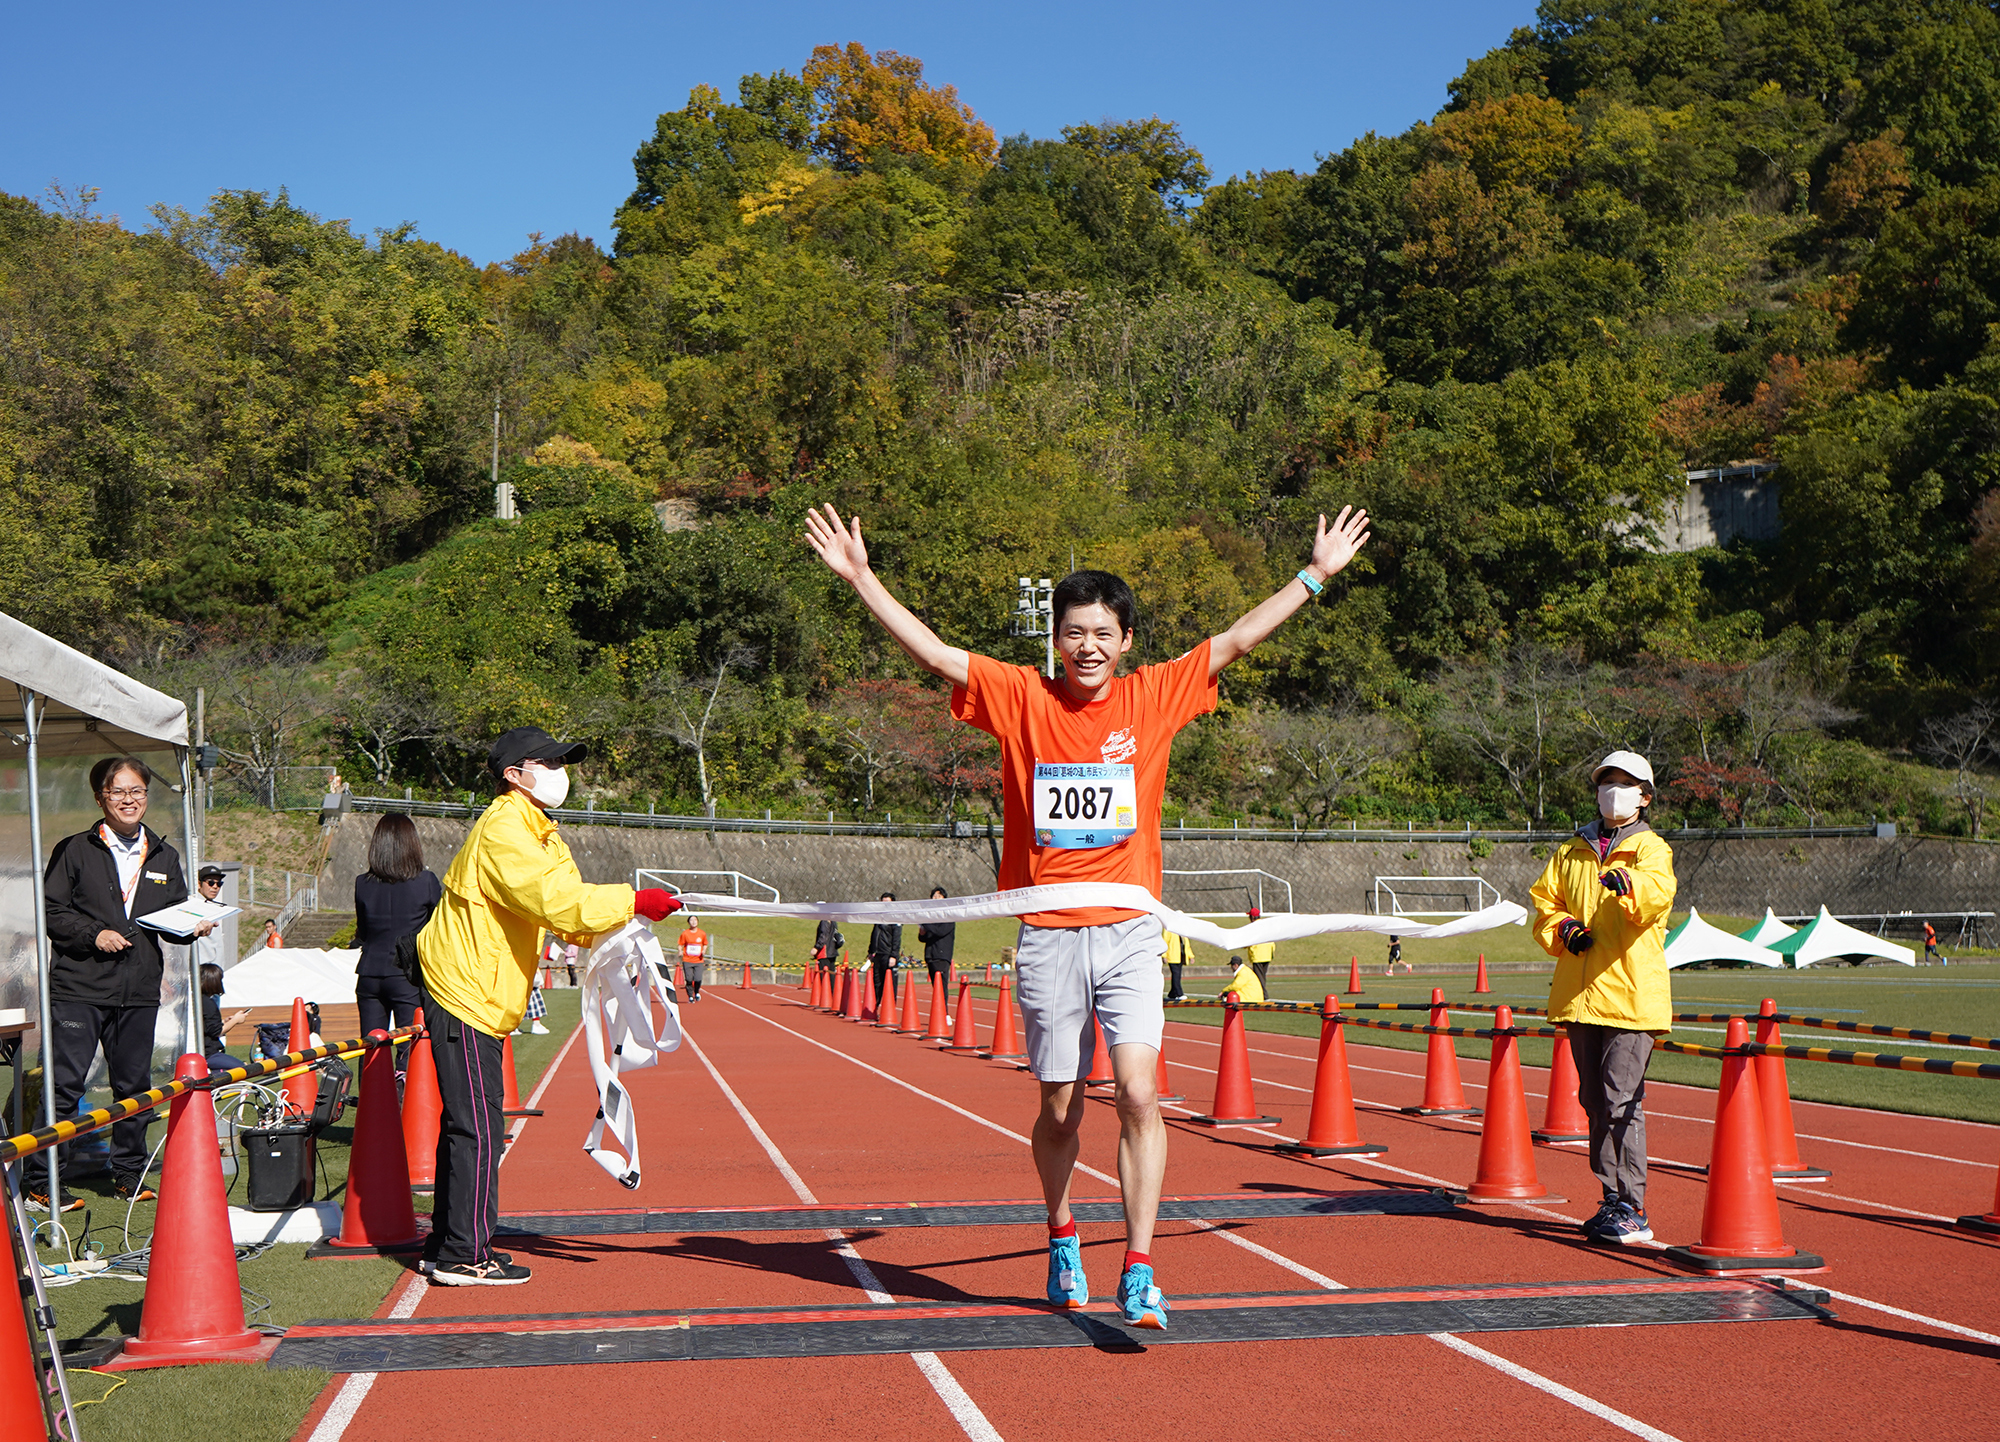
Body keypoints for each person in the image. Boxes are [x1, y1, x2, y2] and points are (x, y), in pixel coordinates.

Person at [807, 497, 1369, 1330]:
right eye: (1075, 632)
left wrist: (1314, 577)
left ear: (1126, 641)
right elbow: (930, 652)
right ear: (1056, 639)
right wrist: (862, 579)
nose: (1089, 646)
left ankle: (1140, 1266)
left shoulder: (1154, 696)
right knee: (1061, 1107)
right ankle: (1063, 1230)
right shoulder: (1020, 698)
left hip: (1133, 931)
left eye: (1104, 632)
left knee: (1140, 1094)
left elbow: (1241, 637)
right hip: (1049, 934)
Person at [414, 726, 682, 1285]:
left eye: (563, 761)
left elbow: (566, 914)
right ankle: (465, 1255)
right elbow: (555, 901)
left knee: (470, 1123)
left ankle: (450, 1241)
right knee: (479, 1126)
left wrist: (622, 927)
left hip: (481, 991)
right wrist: (632, 899)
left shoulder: (542, 833)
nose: (561, 770)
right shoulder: (505, 830)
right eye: (548, 761)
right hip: (464, 990)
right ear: (513, 775)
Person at [39, 756, 214, 1210]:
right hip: (79, 986)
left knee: (134, 1086)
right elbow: (52, 912)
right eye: (118, 792)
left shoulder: (163, 855)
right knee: (65, 1085)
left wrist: (194, 925)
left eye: (137, 791)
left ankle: (129, 1176)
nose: (129, 800)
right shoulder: (74, 849)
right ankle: (44, 1180)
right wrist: (92, 934)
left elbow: (171, 917)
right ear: (100, 798)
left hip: (138, 988)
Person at [1531, 749, 1677, 1247]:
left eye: (1625, 784)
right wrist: (1564, 928)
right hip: (1582, 995)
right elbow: (1544, 904)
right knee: (1594, 1100)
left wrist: (1628, 882)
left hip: (1631, 995)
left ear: (1645, 796)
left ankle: (1632, 1205)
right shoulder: (1572, 851)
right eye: (1606, 782)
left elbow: (1658, 893)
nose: (1613, 791)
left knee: (1620, 1098)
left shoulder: (1651, 849)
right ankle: (1612, 1197)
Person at [353, 813, 442, 1066]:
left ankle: (373, 1105)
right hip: (408, 974)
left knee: (371, 1050)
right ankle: (405, 1102)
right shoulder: (426, 881)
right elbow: (438, 929)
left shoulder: (363, 883)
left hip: (370, 973)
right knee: (410, 1050)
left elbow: (364, 932)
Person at [199, 962, 251, 1073]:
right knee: (244, 1069)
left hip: (202, 1052)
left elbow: (205, 1026)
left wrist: (224, 1021)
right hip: (209, 1053)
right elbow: (217, 1031)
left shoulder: (198, 1001)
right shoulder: (208, 1003)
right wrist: (236, 1020)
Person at [866, 896, 901, 1008]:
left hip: (888, 953)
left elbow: (896, 938)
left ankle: (889, 1007)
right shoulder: (878, 918)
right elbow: (874, 935)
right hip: (878, 954)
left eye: (887, 902)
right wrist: (871, 952)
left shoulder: (895, 919)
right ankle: (875, 1005)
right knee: (877, 982)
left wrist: (894, 955)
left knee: (889, 983)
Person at [917, 888, 956, 987]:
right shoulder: (930, 916)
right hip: (930, 955)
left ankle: (943, 1003)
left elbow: (940, 931)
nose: (936, 898)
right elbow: (924, 938)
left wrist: (925, 924)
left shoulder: (949, 916)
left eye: (939, 896)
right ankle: (938, 1002)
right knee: (935, 985)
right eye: (934, 896)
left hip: (941, 955)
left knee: (941, 985)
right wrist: (922, 933)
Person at [677, 914, 710, 1002]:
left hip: (698, 960)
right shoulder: (685, 933)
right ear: (688, 922)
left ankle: (697, 992)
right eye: (691, 920)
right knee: (688, 979)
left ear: (697, 922)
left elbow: (705, 944)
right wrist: (680, 951)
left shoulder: (702, 933)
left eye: (695, 920)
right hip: (687, 960)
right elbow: (680, 944)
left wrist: (704, 951)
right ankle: (690, 996)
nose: (693, 922)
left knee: (698, 979)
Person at [1244, 907, 1275, 989]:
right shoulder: (1266, 925)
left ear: (1253, 917)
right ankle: (1262, 995)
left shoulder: (1253, 927)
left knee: (1258, 978)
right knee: (1262, 977)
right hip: (1267, 954)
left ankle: (1264, 996)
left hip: (1258, 956)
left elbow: (1247, 942)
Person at [813, 917, 844, 982]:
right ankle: (832, 991)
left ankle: (826, 991)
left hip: (824, 952)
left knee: (824, 974)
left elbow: (824, 935)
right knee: (831, 973)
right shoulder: (834, 922)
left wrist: (816, 947)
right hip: (833, 951)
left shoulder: (824, 921)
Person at [1161, 929, 1186, 1001]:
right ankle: (1179, 993)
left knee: (1177, 975)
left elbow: (1186, 945)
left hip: (1180, 957)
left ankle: (1172, 994)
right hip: (1172, 956)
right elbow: (1165, 942)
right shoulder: (1169, 930)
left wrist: (1190, 956)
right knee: (1176, 974)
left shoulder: (1182, 931)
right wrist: (1164, 955)